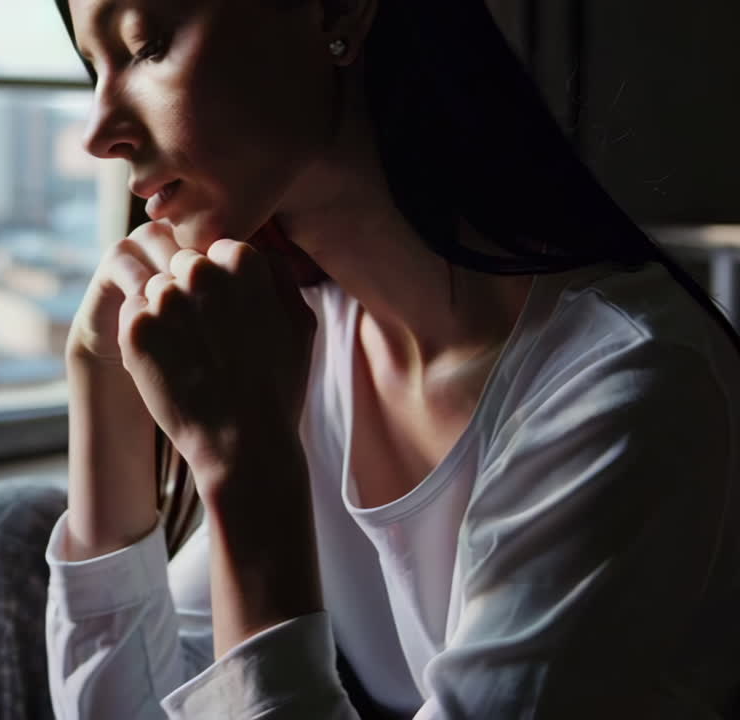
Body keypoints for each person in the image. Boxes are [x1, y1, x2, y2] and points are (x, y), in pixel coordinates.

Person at [42, 0, 740, 718]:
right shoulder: (302, 337)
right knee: (4, 533)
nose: (99, 133)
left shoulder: (630, 389)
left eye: (148, 46)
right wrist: (100, 379)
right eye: (94, 69)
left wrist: (246, 465)